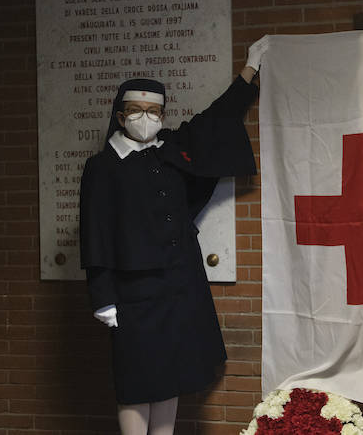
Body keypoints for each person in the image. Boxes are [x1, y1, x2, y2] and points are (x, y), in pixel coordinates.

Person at [79, 37, 269, 435]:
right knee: (136, 382)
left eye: (154, 111)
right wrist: (103, 297)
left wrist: (249, 70)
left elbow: (217, 119)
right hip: (133, 294)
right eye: (137, 110)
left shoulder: (170, 150)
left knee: (172, 376)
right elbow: (94, 234)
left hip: (180, 285)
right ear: (119, 115)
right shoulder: (102, 167)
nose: (146, 117)